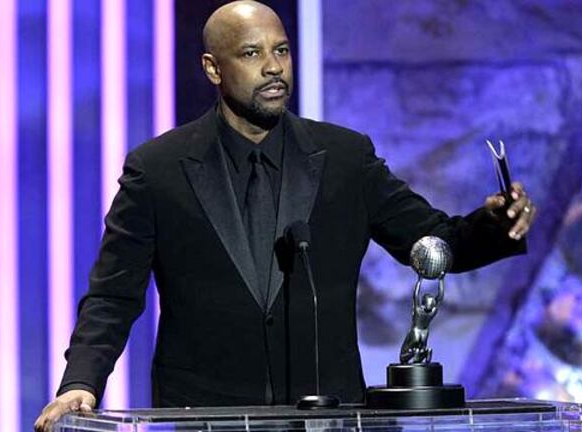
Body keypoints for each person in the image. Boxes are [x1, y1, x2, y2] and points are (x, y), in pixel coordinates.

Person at [35, 1, 537, 430]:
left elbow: (432, 244)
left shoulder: (345, 158)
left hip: (326, 418)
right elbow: (112, 296)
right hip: (208, 419)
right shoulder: (158, 169)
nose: (274, 67)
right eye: (252, 54)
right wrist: (82, 381)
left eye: (281, 50)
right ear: (213, 68)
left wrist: (495, 227)